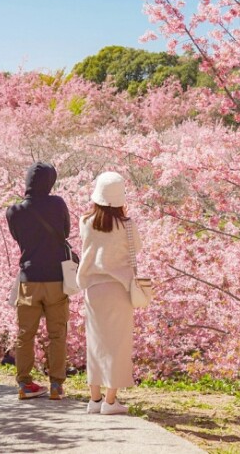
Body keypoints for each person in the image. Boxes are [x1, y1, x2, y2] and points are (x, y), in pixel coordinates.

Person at [6, 161, 72, 400]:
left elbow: (18, 239)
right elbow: (65, 232)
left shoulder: (14, 211)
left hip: (29, 279)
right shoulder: (57, 204)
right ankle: (56, 385)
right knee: (57, 334)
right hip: (55, 278)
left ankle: (24, 384)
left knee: (25, 333)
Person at [76, 171, 140, 416]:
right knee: (118, 344)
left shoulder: (86, 222)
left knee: (95, 343)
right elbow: (139, 248)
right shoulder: (127, 226)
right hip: (119, 289)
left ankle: (94, 399)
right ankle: (110, 401)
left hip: (93, 290)